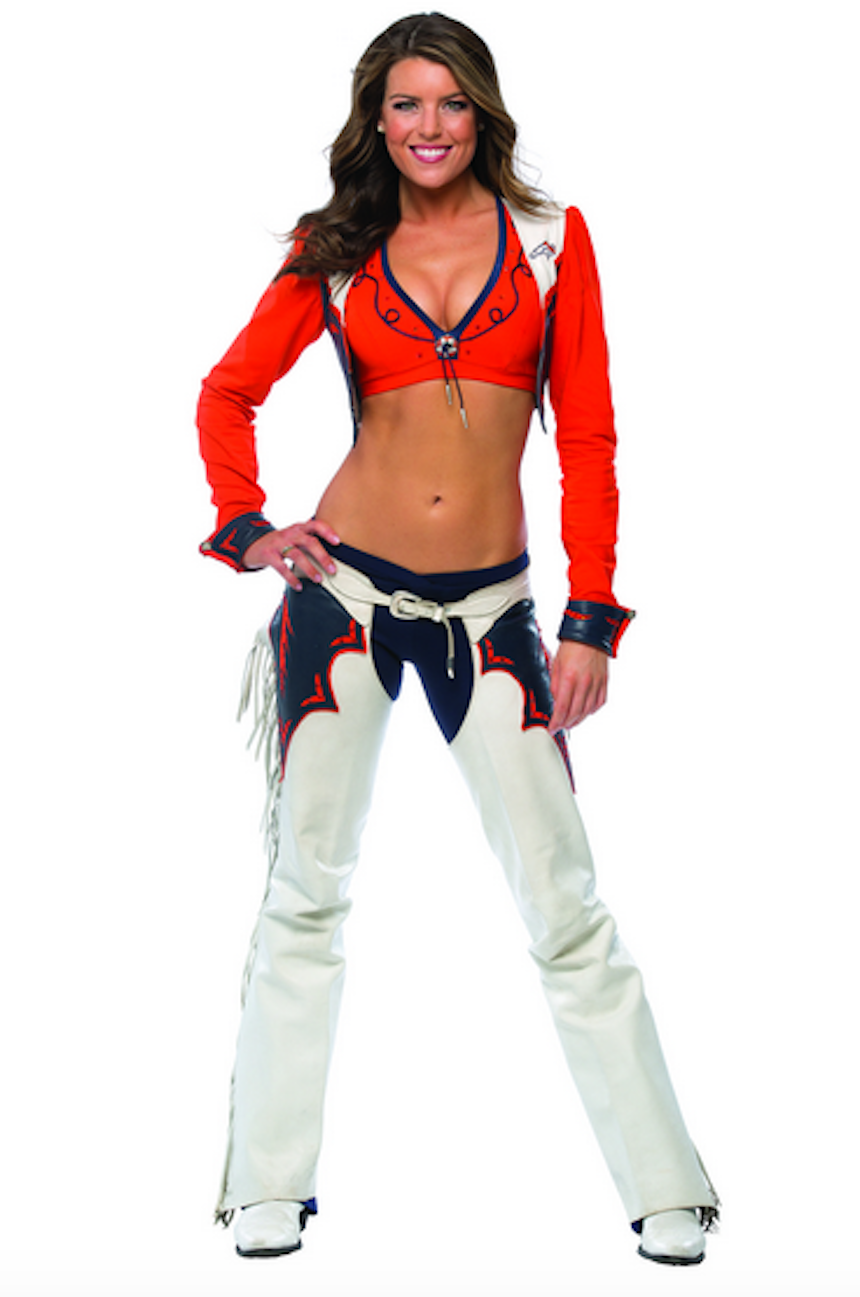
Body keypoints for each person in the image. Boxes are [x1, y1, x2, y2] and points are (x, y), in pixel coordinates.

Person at [197, 12, 719, 1266]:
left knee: (563, 899)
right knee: (305, 892)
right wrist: (252, 529)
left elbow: (585, 435)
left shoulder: (549, 241)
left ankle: (665, 1185)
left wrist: (589, 617)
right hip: (342, 603)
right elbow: (226, 391)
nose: (427, 126)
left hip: (494, 616)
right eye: (403, 104)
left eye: (449, 103)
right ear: (374, 119)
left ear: (480, 111)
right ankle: (266, 1184)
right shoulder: (332, 249)